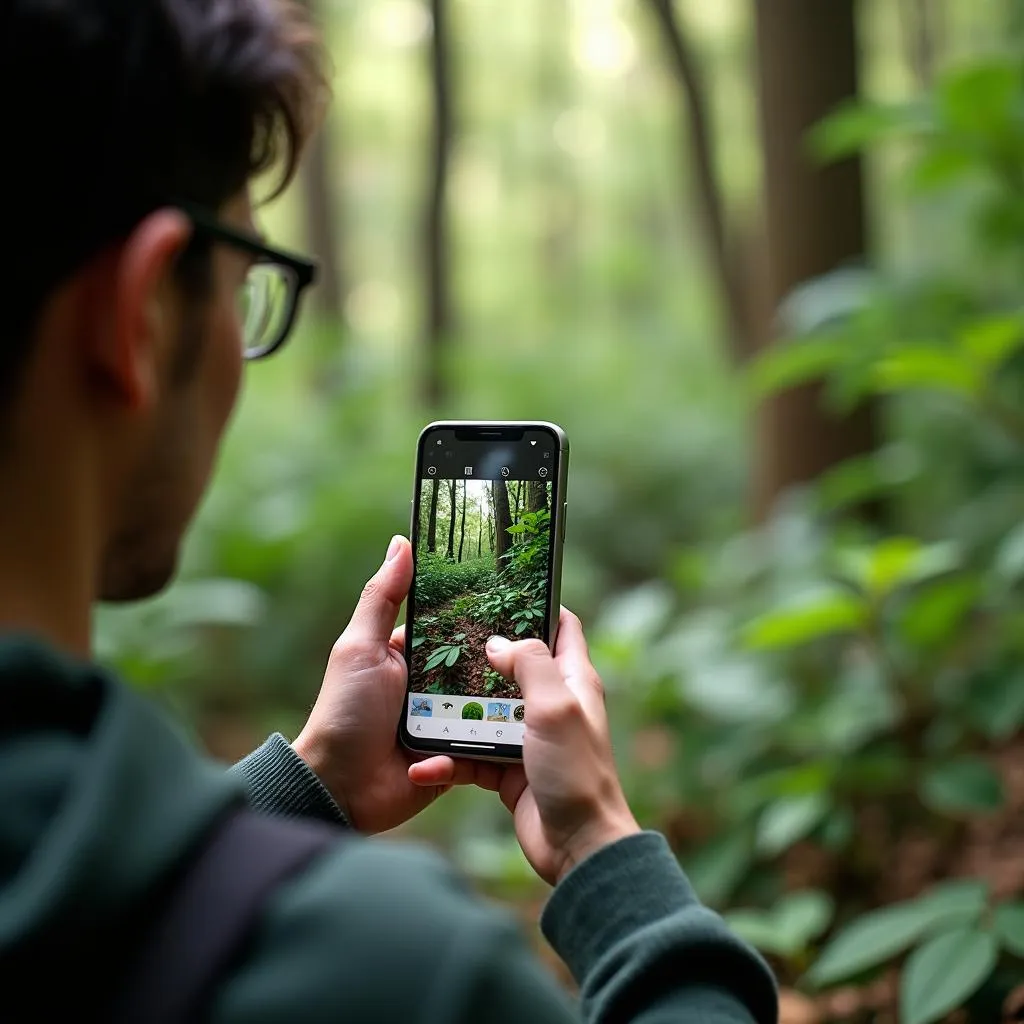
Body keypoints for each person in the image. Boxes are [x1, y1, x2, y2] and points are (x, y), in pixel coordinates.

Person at [0, 1, 778, 1021]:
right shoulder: (393, 972)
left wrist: (304, 784)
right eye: (245, 294)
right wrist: (607, 857)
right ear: (142, 316)